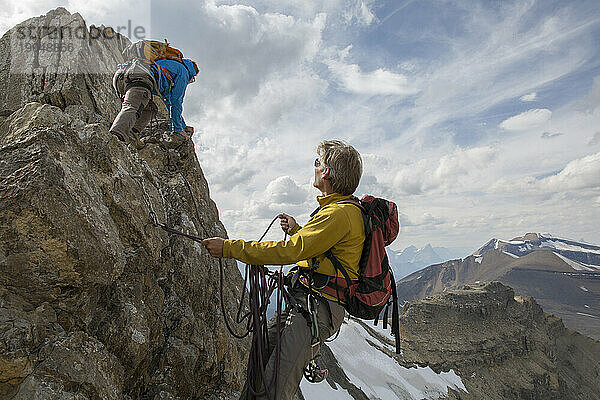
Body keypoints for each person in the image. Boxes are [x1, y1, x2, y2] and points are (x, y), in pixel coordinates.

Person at [202, 140, 365, 400]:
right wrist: (299, 230)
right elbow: (320, 253)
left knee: (277, 387)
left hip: (316, 309)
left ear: (327, 173)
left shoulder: (338, 214)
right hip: (308, 304)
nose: (314, 167)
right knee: (262, 352)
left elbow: (290, 251)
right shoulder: (337, 211)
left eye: (317, 162)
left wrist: (230, 248)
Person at [109, 57, 199, 148]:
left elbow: (169, 103)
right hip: (139, 77)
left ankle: (131, 135)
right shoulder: (183, 73)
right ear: (193, 74)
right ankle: (115, 137)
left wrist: (182, 126)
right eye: (192, 80)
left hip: (122, 77)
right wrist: (178, 129)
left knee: (150, 109)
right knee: (133, 106)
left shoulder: (171, 65)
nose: (190, 82)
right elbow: (176, 102)